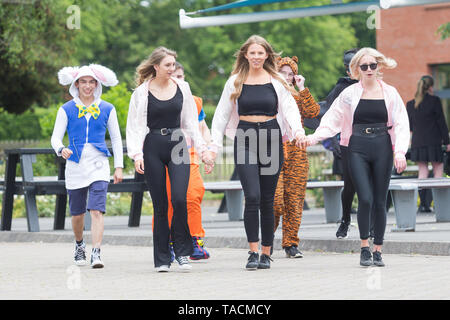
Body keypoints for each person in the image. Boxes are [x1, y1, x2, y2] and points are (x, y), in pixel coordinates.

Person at [206, 35, 307, 270]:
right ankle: (252, 252)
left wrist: (298, 131)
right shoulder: (235, 81)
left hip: (271, 137)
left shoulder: (276, 81)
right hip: (245, 137)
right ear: (245, 55)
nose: (256, 57)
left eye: (261, 53)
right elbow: (221, 115)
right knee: (251, 196)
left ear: (267, 56)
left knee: (267, 200)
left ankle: (266, 253)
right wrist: (214, 146)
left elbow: (290, 108)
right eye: (252, 53)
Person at [304, 48, 410, 267]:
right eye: (364, 66)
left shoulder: (390, 92)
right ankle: (364, 247)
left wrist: (399, 151)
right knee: (365, 199)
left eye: (373, 65)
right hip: (357, 147)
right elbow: (331, 119)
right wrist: (313, 138)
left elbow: (401, 123)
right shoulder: (349, 93)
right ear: (357, 70)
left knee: (380, 201)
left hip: (382, 146)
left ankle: (378, 249)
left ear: (378, 67)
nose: (369, 70)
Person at [126, 47, 208, 272]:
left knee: (180, 200)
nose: (172, 69)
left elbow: (192, 122)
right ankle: (162, 259)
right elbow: (134, 126)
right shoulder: (141, 92)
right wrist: (136, 154)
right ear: (156, 66)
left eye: (174, 65)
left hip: (177, 144)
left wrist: (202, 150)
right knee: (161, 204)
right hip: (152, 145)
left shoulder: (183, 88)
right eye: (168, 65)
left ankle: (182, 253)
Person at [51, 64, 124, 268]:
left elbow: (117, 139)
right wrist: (61, 149)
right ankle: (79, 244)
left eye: (92, 82)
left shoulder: (108, 108)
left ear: (97, 85)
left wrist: (119, 166)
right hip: (75, 164)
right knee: (77, 213)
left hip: (99, 164)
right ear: (76, 84)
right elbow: (55, 138)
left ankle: (96, 252)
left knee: (97, 210)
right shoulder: (66, 109)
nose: (88, 86)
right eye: (84, 82)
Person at [273, 56, 320, 258]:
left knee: (294, 199)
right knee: (275, 199)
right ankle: (266, 237)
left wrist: (302, 88)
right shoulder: (269, 92)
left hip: (297, 150)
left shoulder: (298, 96)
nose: (286, 77)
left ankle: (291, 243)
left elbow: (313, 112)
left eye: (290, 74)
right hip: (273, 147)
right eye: (282, 73)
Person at [165, 62, 211, 260]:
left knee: (193, 195)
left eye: (180, 76)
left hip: (189, 153)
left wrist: (207, 150)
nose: (177, 79)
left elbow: (203, 128)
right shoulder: (156, 98)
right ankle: (170, 242)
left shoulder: (194, 101)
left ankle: (195, 240)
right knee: (169, 200)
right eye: (173, 75)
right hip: (164, 154)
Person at [324, 48, 360, 239]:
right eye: (350, 67)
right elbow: (327, 112)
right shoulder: (342, 88)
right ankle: (345, 218)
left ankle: (369, 225)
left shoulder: (373, 85)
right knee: (350, 186)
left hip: (371, 142)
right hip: (347, 143)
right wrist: (331, 141)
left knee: (369, 185)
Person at [406, 75, 450, 212]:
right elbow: (441, 123)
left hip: (417, 143)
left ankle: (422, 205)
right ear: (431, 87)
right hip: (434, 142)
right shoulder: (435, 101)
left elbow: (410, 127)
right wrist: (447, 142)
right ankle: (437, 204)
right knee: (438, 171)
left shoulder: (410, 104)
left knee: (422, 173)